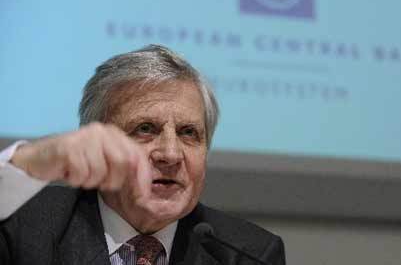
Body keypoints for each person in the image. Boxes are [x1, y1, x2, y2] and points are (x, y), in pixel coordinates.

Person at [0, 45, 285, 265]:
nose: (171, 154)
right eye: (145, 128)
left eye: (188, 133)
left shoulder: (247, 254)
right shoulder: (26, 226)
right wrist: (31, 160)